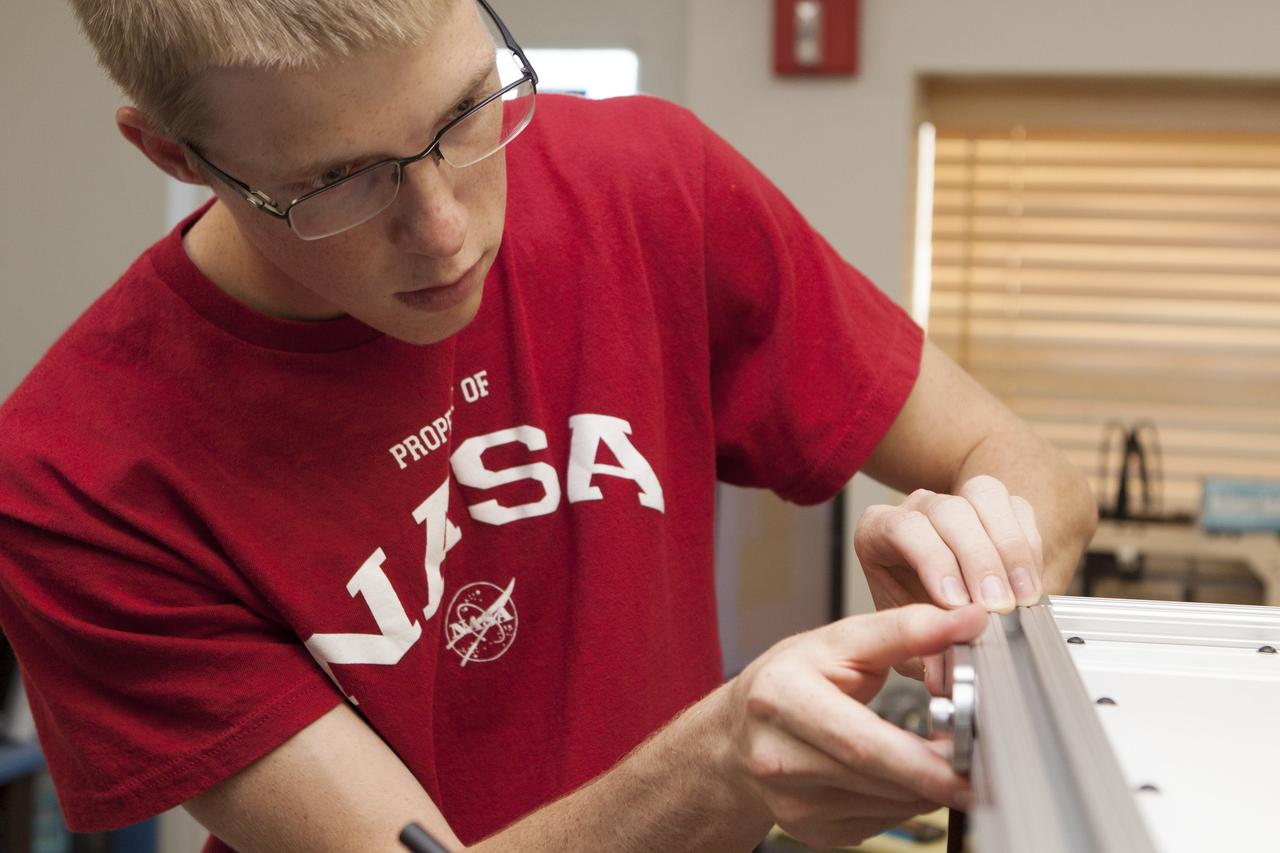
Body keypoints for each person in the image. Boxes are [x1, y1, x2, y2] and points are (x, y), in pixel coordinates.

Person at [0, 0, 1096, 850]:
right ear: (176, 157)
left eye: (465, 110)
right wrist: (721, 764)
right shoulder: (77, 476)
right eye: (337, 181)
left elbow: (1026, 473)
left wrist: (975, 599)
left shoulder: (649, 186)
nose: (441, 230)